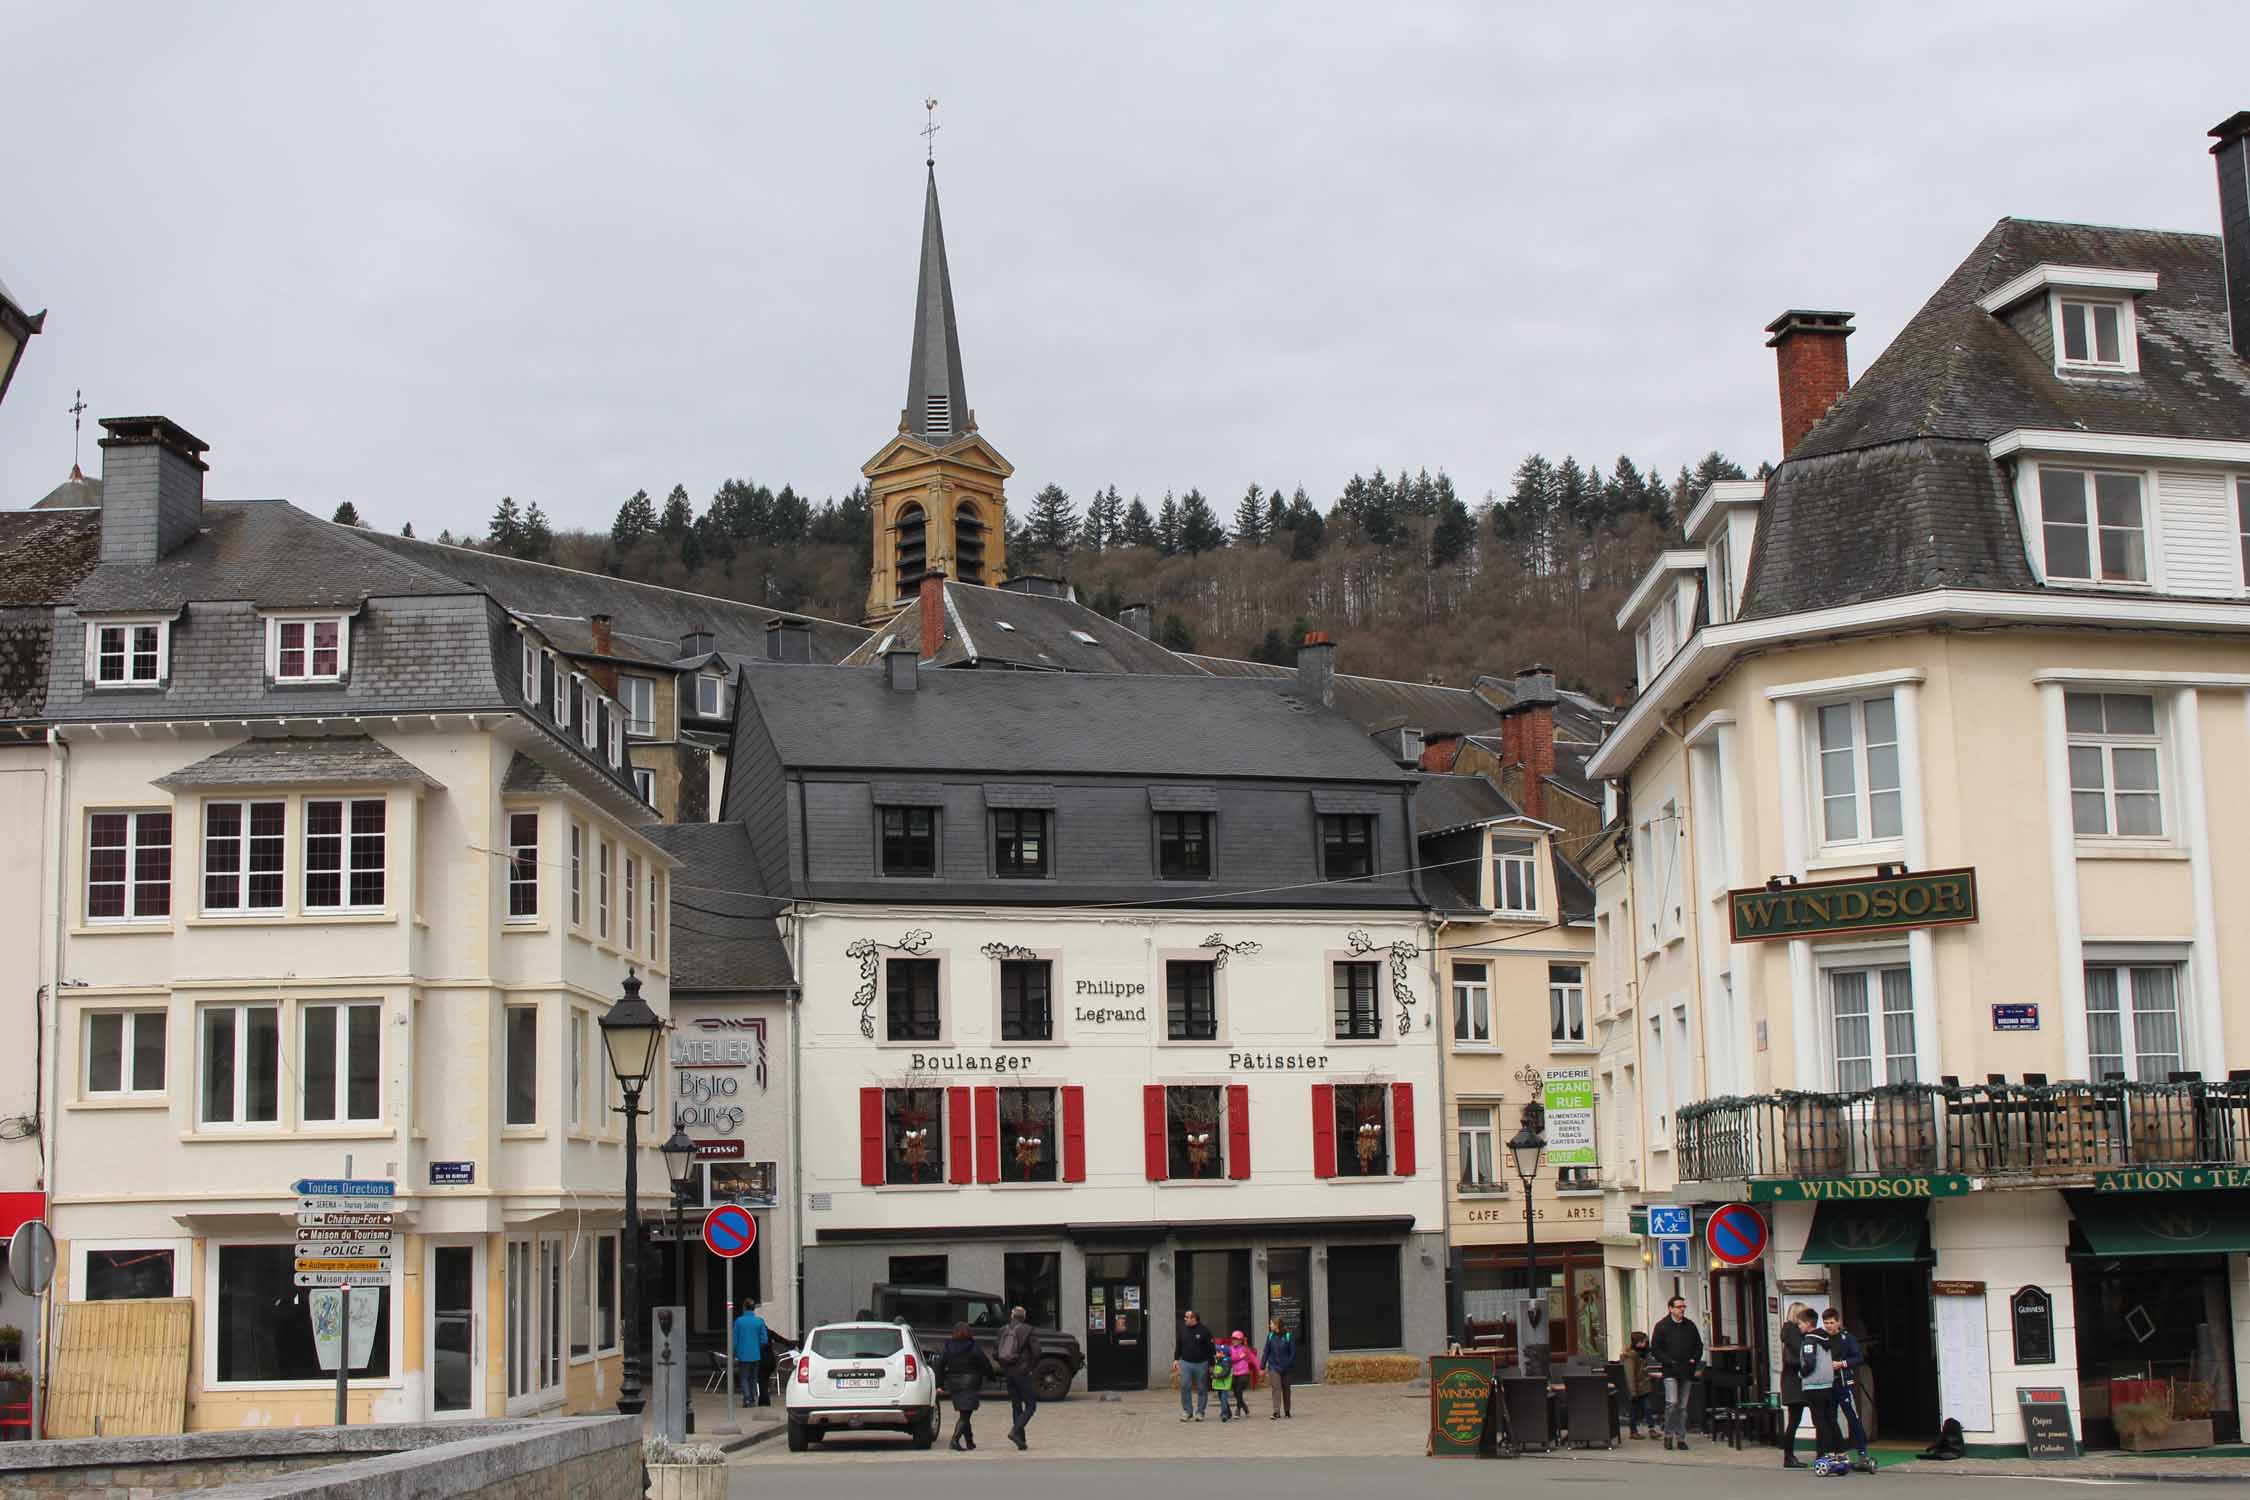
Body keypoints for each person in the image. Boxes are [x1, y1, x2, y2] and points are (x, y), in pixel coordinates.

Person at [1822, 1308, 1876, 1472]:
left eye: (1831, 1323)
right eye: (1826, 1323)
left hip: (1844, 1383)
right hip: (1827, 1384)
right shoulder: (1822, 1339)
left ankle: (1862, 1453)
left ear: (1838, 1322)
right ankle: (1836, 1451)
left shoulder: (1847, 1338)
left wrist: (1842, 1364)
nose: (1829, 1326)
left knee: (1852, 1417)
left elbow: (1858, 1357)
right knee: (1829, 1418)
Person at [1649, 1295, 1704, 1451]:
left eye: (1683, 1307)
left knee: (1682, 1407)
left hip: (1687, 1371)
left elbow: (1698, 1345)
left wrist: (1694, 1359)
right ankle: (1668, 1435)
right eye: (1679, 1307)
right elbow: (1656, 1349)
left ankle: (1680, 1438)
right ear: (1671, 1309)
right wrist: (1668, 1360)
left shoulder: (1690, 1326)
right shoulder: (1662, 1326)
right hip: (1670, 1370)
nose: (1682, 1310)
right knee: (1672, 1403)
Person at [938, 1321, 996, 1451]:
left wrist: (940, 1384)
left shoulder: (948, 1346)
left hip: (954, 1384)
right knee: (965, 1415)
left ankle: (970, 1442)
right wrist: (991, 1377)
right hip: (970, 1383)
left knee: (964, 1413)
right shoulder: (973, 1346)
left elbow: (940, 1364)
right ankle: (955, 1439)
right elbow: (984, 1363)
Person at [1799, 1309, 1844, 1463]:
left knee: (1819, 1421)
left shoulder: (1809, 1341)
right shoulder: (1825, 1338)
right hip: (1828, 1384)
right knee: (1830, 1418)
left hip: (1814, 1385)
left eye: (1800, 1323)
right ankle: (1840, 1451)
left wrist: (1801, 1373)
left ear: (1807, 1323)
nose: (1799, 1327)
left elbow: (1809, 1363)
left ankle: (1824, 1453)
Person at [996, 1304, 1038, 1451]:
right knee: (1031, 1405)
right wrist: (1029, 1367)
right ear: (1024, 1318)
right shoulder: (1028, 1330)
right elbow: (1037, 1352)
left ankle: (1021, 1440)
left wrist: (1005, 1367)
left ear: (1012, 1316)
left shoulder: (1002, 1330)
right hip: (1022, 1372)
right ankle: (1015, 1431)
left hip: (1008, 1372)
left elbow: (997, 1353)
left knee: (1016, 1405)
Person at [1779, 1305, 1814, 1468]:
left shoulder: (1790, 1333)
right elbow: (1799, 1357)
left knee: (1794, 1420)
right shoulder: (1794, 1334)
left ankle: (1788, 1455)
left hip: (1791, 1382)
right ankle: (1788, 1456)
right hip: (1795, 1382)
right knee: (1794, 1420)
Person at [1173, 1308, 1216, 1422]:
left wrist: (1212, 1364)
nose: (1185, 1319)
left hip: (1201, 1363)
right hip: (1186, 1362)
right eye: (1185, 1317)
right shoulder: (1182, 1329)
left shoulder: (1204, 1330)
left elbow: (1211, 1349)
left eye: (1187, 1317)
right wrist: (1176, 1359)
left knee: (1202, 1388)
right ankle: (1187, 1411)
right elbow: (1179, 1345)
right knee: (1184, 1386)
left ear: (1194, 1319)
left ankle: (1200, 1412)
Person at [730, 1300, 769, 1408]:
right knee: (753, 1378)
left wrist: (733, 1353)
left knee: (743, 1377)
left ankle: (747, 1398)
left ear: (744, 1307)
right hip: (756, 1354)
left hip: (742, 1355)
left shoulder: (739, 1321)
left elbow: (734, 1340)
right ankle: (752, 1398)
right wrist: (757, 1347)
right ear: (753, 1308)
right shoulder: (759, 1321)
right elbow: (764, 1340)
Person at [1621, 1329, 1657, 1439]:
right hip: (1636, 1388)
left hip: (1643, 1386)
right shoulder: (1631, 1356)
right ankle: (1633, 1431)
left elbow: (1642, 1370)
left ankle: (1651, 1429)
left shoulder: (1641, 1354)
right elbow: (1630, 1375)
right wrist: (1633, 1392)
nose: (1646, 1343)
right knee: (1635, 1410)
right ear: (1637, 1342)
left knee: (1647, 1408)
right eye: (1644, 1341)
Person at [1260, 1317, 1296, 1419]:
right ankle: (1276, 1412)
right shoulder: (1270, 1336)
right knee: (1276, 1388)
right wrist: (1262, 1366)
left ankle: (1287, 1410)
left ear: (1277, 1325)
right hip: (1273, 1367)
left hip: (1286, 1368)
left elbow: (1293, 1353)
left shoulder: (1288, 1336)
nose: (1269, 1325)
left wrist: (1287, 1364)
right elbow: (1266, 1351)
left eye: (1271, 1324)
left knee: (1286, 1389)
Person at [1224, 1330, 1260, 1419]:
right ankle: (1245, 1408)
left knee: (1239, 1391)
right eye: (1233, 1339)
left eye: (1236, 1339)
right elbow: (1229, 1358)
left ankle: (1238, 1410)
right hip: (1234, 1374)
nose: (1234, 1340)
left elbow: (1253, 1359)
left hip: (1243, 1374)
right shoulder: (1230, 1348)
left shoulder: (1245, 1349)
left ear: (1240, 1340)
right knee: (1236, 1393)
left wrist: (1260, 1369)